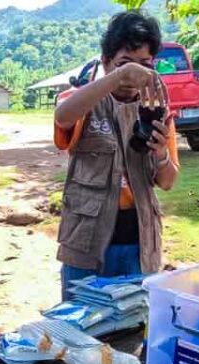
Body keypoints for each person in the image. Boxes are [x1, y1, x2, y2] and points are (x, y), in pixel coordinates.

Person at [53, 11, 180, 299]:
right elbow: (63, 117)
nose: (134, 76)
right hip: (85, 244)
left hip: (139, 244)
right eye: (124, 65)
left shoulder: (158, 109)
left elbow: (169, 180)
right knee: (81, 330)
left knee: (133, 328)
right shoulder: (82, 101)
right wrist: (116, 78)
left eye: (144, 65)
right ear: (106, 62)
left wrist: (160, 153)